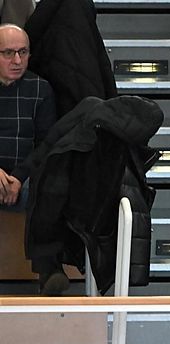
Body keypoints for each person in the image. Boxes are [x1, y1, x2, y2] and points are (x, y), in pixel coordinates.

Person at [0, 24, 57, 292]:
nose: (17, 60)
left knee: (52, 184)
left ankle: (49, 271)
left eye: (23, 52)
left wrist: (19, 177)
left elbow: (46, 144)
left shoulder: (41, 89)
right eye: (8, 53)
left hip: (25, 180)